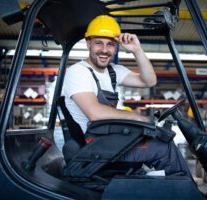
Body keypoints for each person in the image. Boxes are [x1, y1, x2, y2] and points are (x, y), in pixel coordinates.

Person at [63, 15, 192, 177]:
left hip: (110, 139)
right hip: (96, 147)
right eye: (98, 43)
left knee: (161, 140)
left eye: (110, 44)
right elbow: (94, 112)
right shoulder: (79, 72)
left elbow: (149, 80)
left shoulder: (113, 71)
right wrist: (136, 117)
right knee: (163, 148)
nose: (104, 49)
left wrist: (137, 50)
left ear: (116, 46)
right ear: (88, 43)